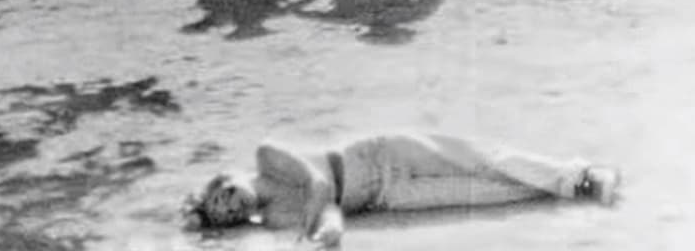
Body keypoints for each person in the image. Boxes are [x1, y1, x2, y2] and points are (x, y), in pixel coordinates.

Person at [183, 130, 621, 246]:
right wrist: (327, 235)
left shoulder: (266, 156)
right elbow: (331, 213)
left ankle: (580, 176)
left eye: (223, 196)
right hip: (384, 198)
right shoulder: (274, 218)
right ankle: (566, 187)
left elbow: (318, 183)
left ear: (225, 178)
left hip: (379, 155)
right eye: (226, 214)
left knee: (481, 159)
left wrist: (312, 227)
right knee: (483, 192)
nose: (231, 205)